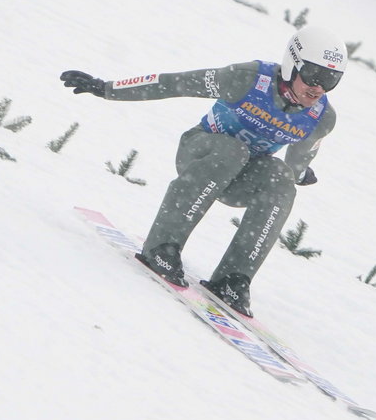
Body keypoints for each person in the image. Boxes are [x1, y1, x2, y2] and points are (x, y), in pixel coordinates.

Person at [60, 27, 347, 317]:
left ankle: (233, 279)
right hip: (200, 155)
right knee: (234, 150)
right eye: (314, 75)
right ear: (293, 63)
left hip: (240, 178)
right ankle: (162, 246)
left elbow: (298, 161)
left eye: (331, 80)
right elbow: (176, 83)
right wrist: (107, 88)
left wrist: (298, 174)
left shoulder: (320, 117)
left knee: (281, 178)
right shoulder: (248, 79)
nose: (319, 87)